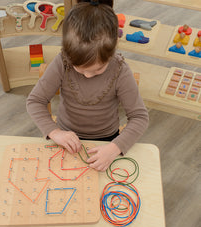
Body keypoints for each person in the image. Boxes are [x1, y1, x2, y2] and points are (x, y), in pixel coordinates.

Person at [26, 1, 149, 171]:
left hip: (107, 141)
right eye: (81, 69)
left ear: (111, 53)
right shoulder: (62, 63)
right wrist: (54, 133)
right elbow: (35, 101)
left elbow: (140, 117)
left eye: (98, 69)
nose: (88, 75)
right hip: (64, 136)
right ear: (68, 55)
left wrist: (115, 148)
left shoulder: (120, 71)